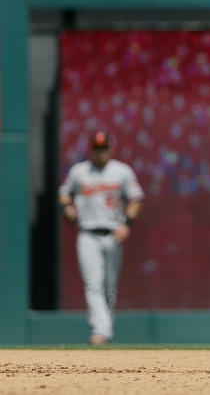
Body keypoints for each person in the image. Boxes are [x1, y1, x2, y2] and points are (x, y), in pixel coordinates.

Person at [58, 131, 144, 346]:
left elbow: (136, 198)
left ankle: (105, 328)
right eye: (97, 148)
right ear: (92, 150)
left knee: (109, 287)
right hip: (88, 234)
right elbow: (64, 192)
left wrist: (126, 224)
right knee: (93, 285)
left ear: (111, 149)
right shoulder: (80, 171)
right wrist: (68, 208)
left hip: (113, 234)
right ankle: (101, 330)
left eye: (104, 148)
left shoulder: (121, 171)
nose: (101, 152)